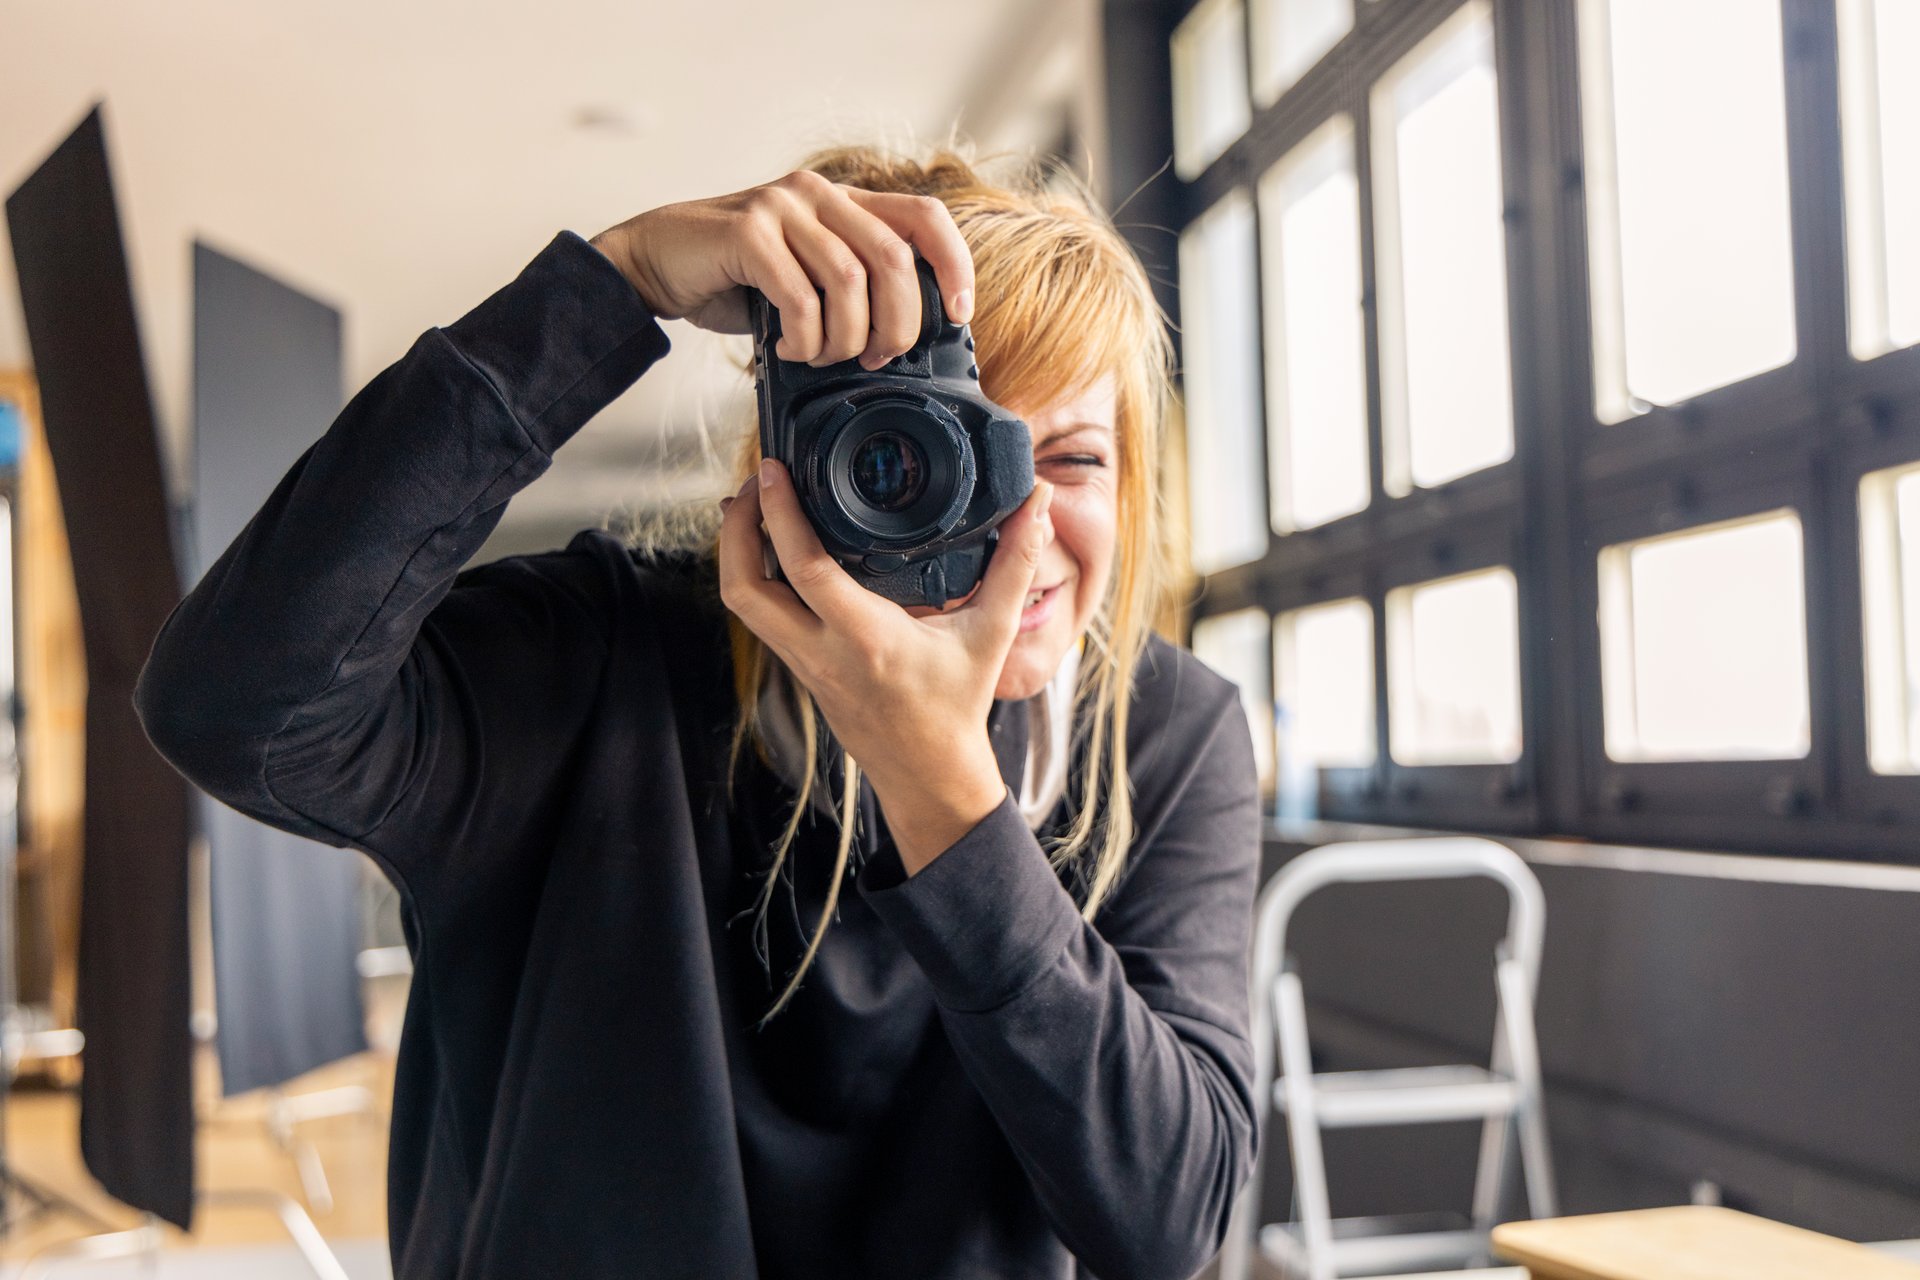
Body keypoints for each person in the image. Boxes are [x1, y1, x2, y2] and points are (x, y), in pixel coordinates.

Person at [133, 142, 1265, 1280]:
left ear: (1134, 489)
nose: (1003, 518)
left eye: (1067, 457)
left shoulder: (1165, 733)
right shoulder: (601, 656)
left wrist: (943, 788)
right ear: (795, 449)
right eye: (918, 450)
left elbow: (1168, 1219)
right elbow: (232, 703)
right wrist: (612, 284)